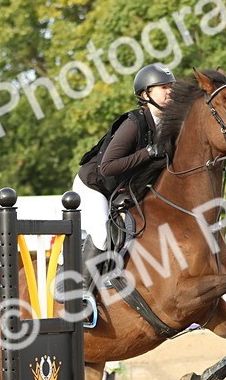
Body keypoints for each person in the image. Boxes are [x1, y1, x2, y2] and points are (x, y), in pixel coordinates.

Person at [72, 63, 176, 282]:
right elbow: (107, 167)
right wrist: (148, 152)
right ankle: (79, 294)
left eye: (171, 86)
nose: (170, 91)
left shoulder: (169, 126)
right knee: (103, 236)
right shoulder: (134, 123)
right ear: (146, 94)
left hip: (124, 192)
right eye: (163, 87)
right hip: (95, 187)